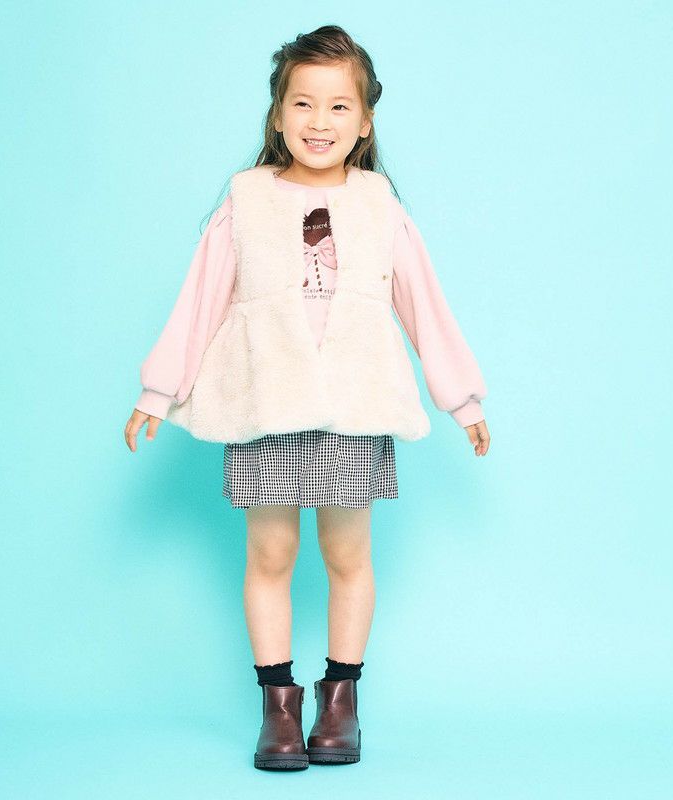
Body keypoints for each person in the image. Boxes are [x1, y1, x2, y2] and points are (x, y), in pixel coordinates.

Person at [123, 24, 491, 771]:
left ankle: (341, 702)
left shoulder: (379, 206)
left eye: (337, 106)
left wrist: (464, 401)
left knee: (347, 553)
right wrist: (157, 393)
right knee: (271, 552)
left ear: (365, 121)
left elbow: (424, 305)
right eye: (302, 103)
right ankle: (279, 707)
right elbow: (200, 300)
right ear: (278, 112)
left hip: (355, 405)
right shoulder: (245, 200)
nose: (318, 122)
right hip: (266, 405)